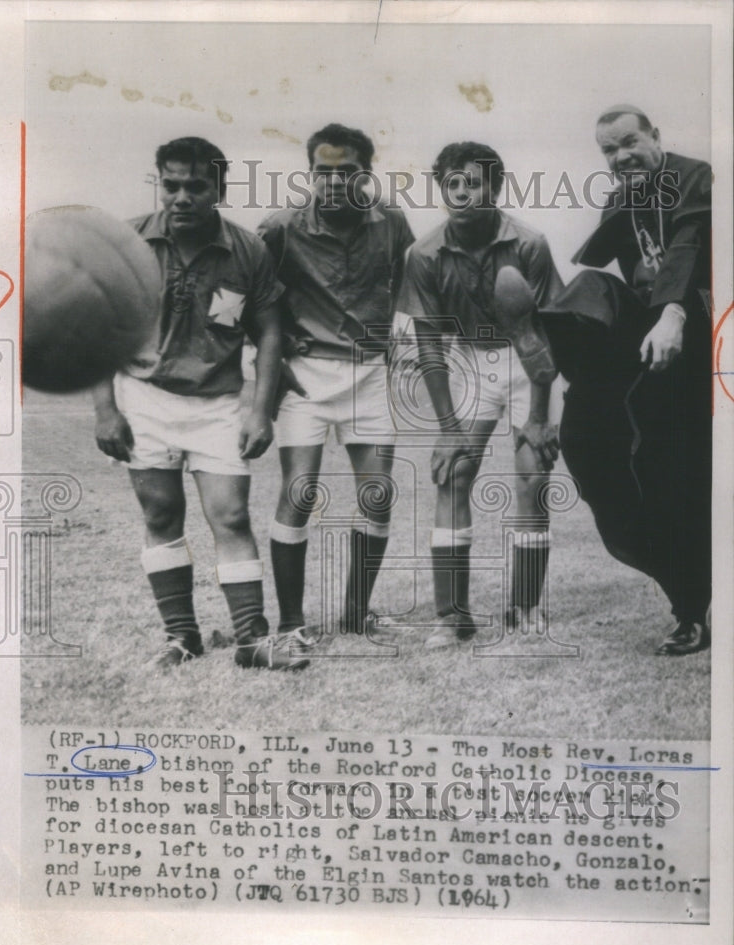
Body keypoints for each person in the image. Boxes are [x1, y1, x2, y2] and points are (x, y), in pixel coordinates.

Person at [92, 136, 308, 671]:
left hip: (217, 402)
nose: (182, 197)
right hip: (144, 396)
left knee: (231, 515)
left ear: (218, 189)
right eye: (172, 184)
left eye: (196, 186)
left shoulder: (246, 249)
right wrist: (105, 409)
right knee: (161, 511)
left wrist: (259, 409)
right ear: (158, 183)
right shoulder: (129, 242)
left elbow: (271, 330)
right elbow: (96, 328)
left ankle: (251, 640)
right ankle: (182, 636)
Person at [540, 105, 712, 656]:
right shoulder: (621, 199)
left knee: (683, 475)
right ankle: (582, 383)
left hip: (705, 330)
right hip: (651, 344)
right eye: (609, 151)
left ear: (656, 136)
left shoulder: (695, 176)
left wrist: (674, 313)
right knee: (588, 288)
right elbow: (618, 277)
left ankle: (692, 610)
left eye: (630, 142)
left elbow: (685, 249)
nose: (621, 157)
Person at [395, 141, 563, 649]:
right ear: (441, 189)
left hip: (526, 361)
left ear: (496, 187)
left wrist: (538, 418)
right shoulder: (422, 253)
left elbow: (544, 339)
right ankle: (452, 616)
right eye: (454, 183)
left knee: (532, 475)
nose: (464, 192)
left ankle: (526, 607)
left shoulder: (529, 243)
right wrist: (447, 431)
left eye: (475, 182)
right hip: (468, 359)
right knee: (453, 473)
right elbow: (429, 345)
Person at [257, 123, 415, 640]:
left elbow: (404, 281)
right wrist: (272, 356)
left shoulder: (390, 222)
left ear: (366, 173)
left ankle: (354, 612)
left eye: (345, 172)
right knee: (299, 493)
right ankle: (291, 623)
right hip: (306, 377)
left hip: (369, 374)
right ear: (310, 174)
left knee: (377, 496)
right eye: (322, 172)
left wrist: (395, 332)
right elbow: (249, 299)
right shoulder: (281, 227)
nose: (332, 183)